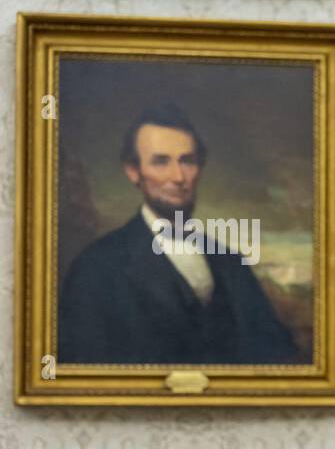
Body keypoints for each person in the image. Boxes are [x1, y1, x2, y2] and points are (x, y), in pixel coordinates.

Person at [57, 103, 303, 365]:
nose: (178, 176)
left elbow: (277, 354)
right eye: (161, 162)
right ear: (133, 172)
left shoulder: (231, 263)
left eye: (187, 161)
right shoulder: (95, 267)